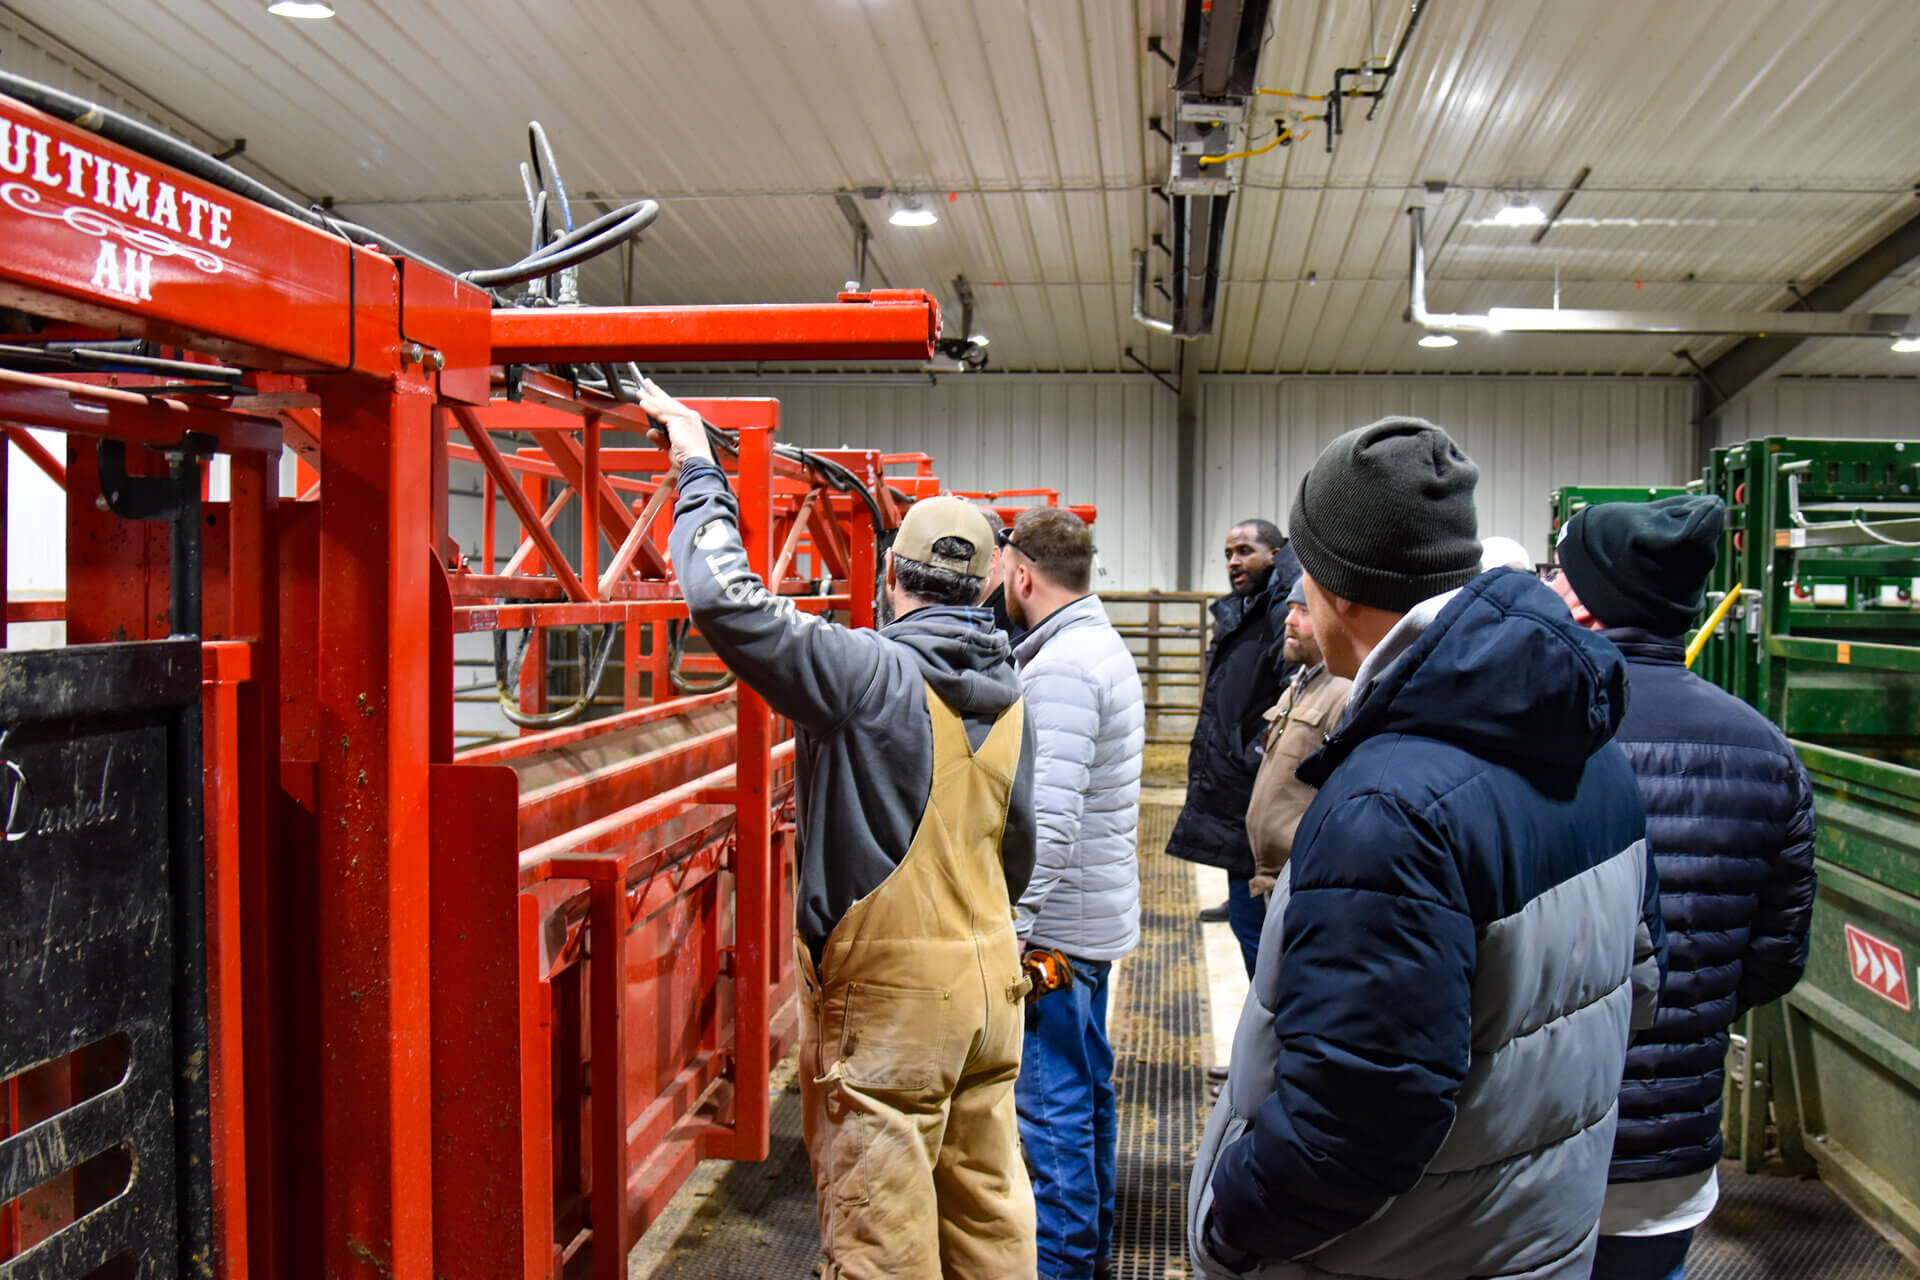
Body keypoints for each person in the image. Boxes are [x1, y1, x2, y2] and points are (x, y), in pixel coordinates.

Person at [1189, 417, 1665, 1280]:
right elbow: (1641, 985)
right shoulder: (1597, 753)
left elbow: (1354, 1127)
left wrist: (1232, 1220)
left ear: (1342, 590)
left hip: (1399, 1256)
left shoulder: (1389, 807)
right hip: (1539, 1238)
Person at [642, 376, 1038, 1279]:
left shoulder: (865, 673)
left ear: (893, 575)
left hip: (894, 1013)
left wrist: (698, 468)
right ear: (984, 588)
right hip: (990, 998)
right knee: (989, 1230)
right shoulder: (1015, 692)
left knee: (881, 1249)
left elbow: (726, 602)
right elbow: (1018, 846)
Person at [1551, 495, 1817, 1280]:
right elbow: (1777, 960)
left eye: (1562, 583)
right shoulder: (1767, 751)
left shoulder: (1542, 729)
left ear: (1592, 609)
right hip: (1669, 1157)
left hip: (1526, 1146)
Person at [1000, 506, 1144, 1280]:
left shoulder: (1059, 668)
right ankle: (1091, 1251)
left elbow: (1046, 822)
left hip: (1057, 930)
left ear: (1022, 574)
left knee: (1051, 1112)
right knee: (1086, 1093)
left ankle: (1065, 1264)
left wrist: (1012, 927)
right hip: (1092, 918)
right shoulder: (1096, 645)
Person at [1169, 519, 1300, 975]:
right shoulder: (1244, 610)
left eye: (1245, 551)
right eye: (1228, 553)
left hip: (1254, 791)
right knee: (1249, 925)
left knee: (1260, 938)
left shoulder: (1283, 612)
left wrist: (1253, 756)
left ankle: (1272, 1037)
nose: (1234, 561)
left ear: (1276, 553)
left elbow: (1294, 694)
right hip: (1235, 793)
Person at [1243, 577, 1350, 899]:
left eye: (1304, 611)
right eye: (1290, 609)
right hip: (1272, 876)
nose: (1289, 621)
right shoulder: (1299, 684)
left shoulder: (1344, 693)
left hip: (1303, 878)